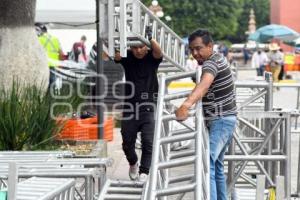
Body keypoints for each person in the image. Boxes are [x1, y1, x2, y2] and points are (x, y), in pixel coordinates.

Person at [175, 29, 237, 200]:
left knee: (206, 164)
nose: (195, 53)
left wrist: (186, 105)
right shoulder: (217, 59)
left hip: (221, 120)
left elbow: (205, 85)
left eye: (199, 48)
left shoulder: (210, 63)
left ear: (210, 46)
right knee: (216, 166)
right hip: (225, 119)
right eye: (192, 50)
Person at [114, 26, 163, 182]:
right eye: (135, 48)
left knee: (148, 141)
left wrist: (149, 38)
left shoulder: (151, 58)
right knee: (127, 142)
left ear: (146, 47)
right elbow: (115, 57)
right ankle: (133, 162)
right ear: (130, 48)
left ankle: (144, 171)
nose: (138, 51)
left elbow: (158, 51)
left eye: (141, 47)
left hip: (148, 106)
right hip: (130, 107)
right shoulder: (128, 57)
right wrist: (117, 38)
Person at [35, 23, 64, 88]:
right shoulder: (55, 39)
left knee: (42, 84)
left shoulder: (38, 39)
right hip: (53, 65)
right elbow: (61, 54)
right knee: (52, 84)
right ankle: (50, 97)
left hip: (42, 65)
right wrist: (60, 65)